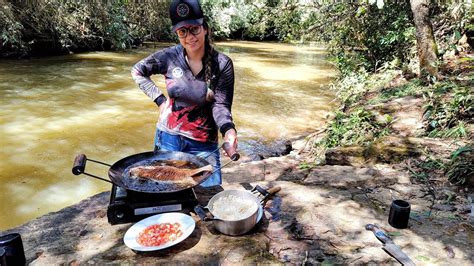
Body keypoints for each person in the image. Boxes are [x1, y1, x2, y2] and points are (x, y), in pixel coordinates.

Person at [131, 0, 238, 187]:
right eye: (183, 32)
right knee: (166, 193)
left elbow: (220, 105)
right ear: (177, 34)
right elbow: (137, 71)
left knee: (209, 193)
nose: (189, 37)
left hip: (203, 144)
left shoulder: (222, 64)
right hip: (168, 139)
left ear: (205, 28)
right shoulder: (168, 57)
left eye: (194, 29)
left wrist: (228, 130)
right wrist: (161, 101)